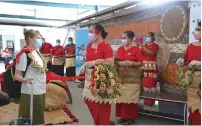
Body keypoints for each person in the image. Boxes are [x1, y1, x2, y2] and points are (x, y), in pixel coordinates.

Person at [81, 23, 114, 125]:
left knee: (101, 106)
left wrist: (96, 62)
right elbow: (87, 60)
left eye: (91, 31)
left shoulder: (106, 46)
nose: (89, 34)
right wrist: (84, 66)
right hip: (88, 81)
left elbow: (111, 64)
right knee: (89, 102)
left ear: (98, 32)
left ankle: (103, 123)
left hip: (101, 80)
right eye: (89, 31)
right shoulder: (89, 45)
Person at [14, 28, 46, 125]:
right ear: (30, 38)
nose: (41, 40)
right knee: (28, 120)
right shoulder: (24, 55)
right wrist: (25, 80)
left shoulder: (37, 52)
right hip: (30, 92)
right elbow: (17, 75)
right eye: (39, 38)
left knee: (38, 118)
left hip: (40, 90)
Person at [115, 31, 143, 125]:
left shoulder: (136, 50)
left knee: (130, 99)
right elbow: (116, 60)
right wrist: (119, 63)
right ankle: (122, 117)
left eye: (124, 38)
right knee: (121, 98)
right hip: (121, 78)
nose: (122, 40)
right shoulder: (120, 49)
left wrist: (131, 63)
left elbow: (140, 63)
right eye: (121, 37)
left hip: (132, 79)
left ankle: (130, 118)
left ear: (130, 39)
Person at [176, 21, 201, 125]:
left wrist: (199, 63)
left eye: (199, 30)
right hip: (191, 81)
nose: (195, 32)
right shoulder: (191, 46)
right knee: (193, 105)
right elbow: (185, 60)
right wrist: (180, 61)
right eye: (196, 29)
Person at [137, 32, 158, 106]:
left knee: (151, 83)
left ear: (152, 37)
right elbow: (140, 55)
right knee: (145, 83)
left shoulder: (155, 45)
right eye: (146, 36)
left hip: (152, 67)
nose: (147, 38)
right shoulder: (144, 46)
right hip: (144, 67)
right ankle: (146, 101)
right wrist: (138, 47)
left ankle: (151, 102)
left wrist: (142, 46)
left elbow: (151, 53)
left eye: (148, 36)